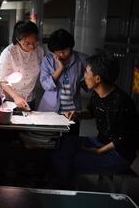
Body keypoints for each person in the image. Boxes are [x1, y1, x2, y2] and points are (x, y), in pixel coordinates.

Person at [51, 54, 139, 188]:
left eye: (86, 72)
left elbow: (125, 137)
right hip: (100, 141)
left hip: (118, 154)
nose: (84, 76)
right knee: (64, 144)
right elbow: (91, 112)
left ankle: (62, 192)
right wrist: (77, 114)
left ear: (97, 78)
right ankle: (63, 186)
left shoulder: (122, 102)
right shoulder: (97, 93)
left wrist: (100, 151)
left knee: (70, 161)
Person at [0, 21, 44, 110]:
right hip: (9, 98)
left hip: (29, 98)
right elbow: (2, 80)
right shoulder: (9, 53)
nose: (32, 46)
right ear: (18, 39)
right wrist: (16, 97)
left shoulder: (39, 51)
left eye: (35, 42)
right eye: (27, 43)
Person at [38, 29, 88, 114]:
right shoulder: (48, 60)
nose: (61, 54)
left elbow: (91, 81)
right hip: (50, 110)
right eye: (57, 52)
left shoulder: (81, 59)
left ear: (71, 47)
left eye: (64, 51)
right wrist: (60, 69)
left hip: (73, 111)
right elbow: (45, 85)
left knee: (73, 126)